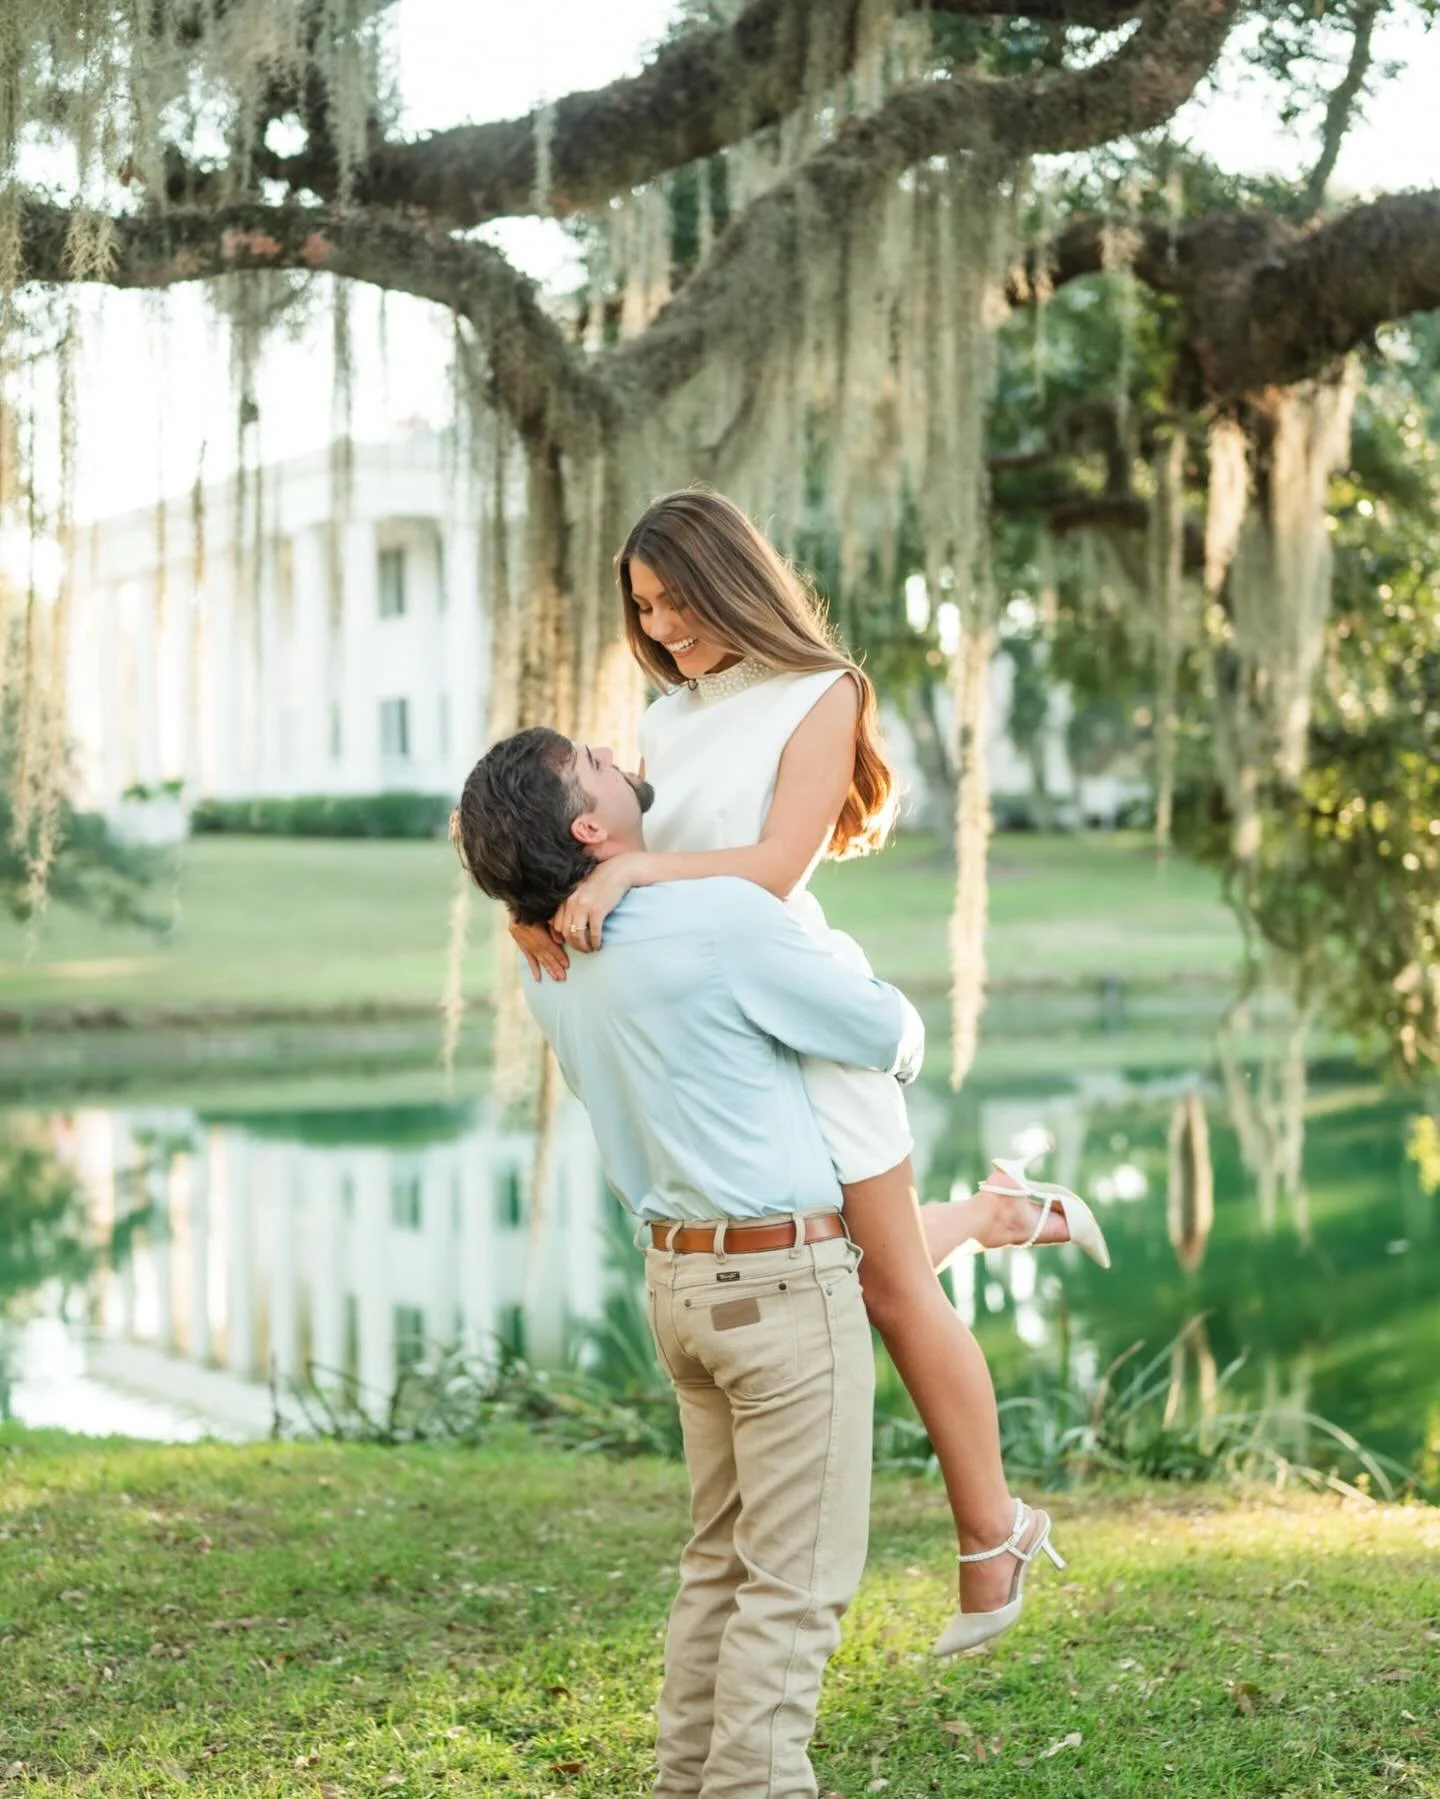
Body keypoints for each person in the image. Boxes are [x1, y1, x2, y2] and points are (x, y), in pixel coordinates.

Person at [509, 488, 1108, 1655]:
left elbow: (776, 865)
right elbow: (599, 834)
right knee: (848, 1267)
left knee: (884, 1288)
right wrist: (527, 913)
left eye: (679, 598)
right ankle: (994, 1211)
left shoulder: (820, 690)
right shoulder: (668, 715)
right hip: (720, 1026)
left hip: (797, 999)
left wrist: (636, 879)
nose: (666, 626)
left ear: (733, 578)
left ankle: (995, 1539)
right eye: (645, 608)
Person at [453, 724, 926, 1799]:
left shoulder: (549, 955)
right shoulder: (715, 917)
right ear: (592, 823)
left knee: (719, 1562)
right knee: (794, 1586)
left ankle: (683, 1782)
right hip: (781, 1286)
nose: (620, 756)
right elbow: (888, 1035)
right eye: (595, 760)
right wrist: (854, 975)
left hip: (681, 1288)